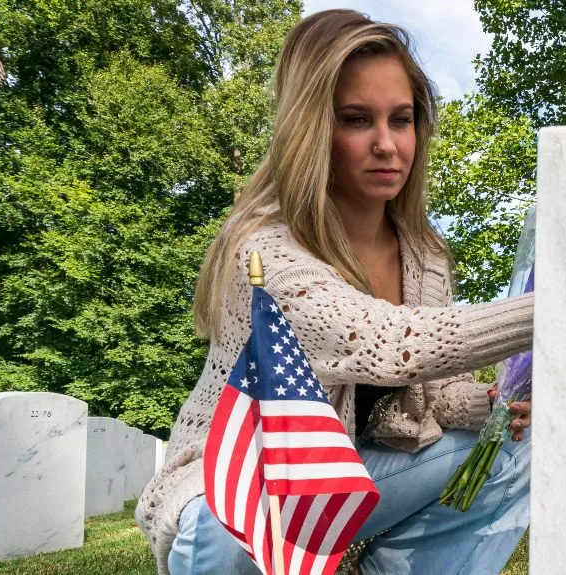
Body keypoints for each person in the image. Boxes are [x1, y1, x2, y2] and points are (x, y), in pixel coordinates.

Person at [136, 9, 534, 575]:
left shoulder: (427, 259)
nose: (386, 144)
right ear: (314, 128)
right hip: (248, 482)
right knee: (224, 528)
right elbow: (388, 344)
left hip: (341, 478)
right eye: (356, 120)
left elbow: (427, 395)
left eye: (402, 119)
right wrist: (559, 305)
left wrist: (489, 407)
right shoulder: (264, 246)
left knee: (511, 453)